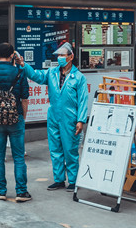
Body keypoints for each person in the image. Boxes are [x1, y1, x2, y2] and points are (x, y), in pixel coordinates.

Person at [17, 42, 88, 192]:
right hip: (54, 116)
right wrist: (24, 65)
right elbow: (36, 75)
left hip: (71, 118)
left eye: (63, 55)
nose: (60, 58)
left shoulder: (78, 77)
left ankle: (74, 181)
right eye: (59, 55)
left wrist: (81, 120)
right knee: (55, 149)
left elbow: (82, 101)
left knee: (70, 150)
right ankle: (59, 179)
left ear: (71, 57)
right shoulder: (52, 73)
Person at [0, 42, 31, 202]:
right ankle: (22, 192)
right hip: (16, 119)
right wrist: (22, 116)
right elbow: (24, 99)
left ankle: (0, 190)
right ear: (12, 56)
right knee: (18, 157)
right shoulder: (20, 73)